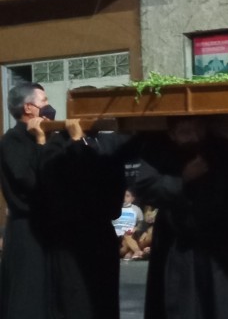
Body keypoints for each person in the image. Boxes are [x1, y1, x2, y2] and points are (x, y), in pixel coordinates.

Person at [135, 118, 228, 319]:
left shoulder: (224, 146)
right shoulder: (159, 148)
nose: (194, 137)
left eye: (198, 130)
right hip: (181, 246)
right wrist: (183, 178)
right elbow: (144, 187)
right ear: (171, 134)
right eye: (186, 132)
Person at [38, 117, 134, 319]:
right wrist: (76, 144)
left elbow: (113, 186)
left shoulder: (106, 143)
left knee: (104, 300)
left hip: (100, 232)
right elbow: (55, 186)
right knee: (76, 300)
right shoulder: (57, 146)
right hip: (71, 236)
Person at [0, 82, 53, 319]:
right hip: (27, 230)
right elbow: (30, 180)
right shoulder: (13, 141)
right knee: (28, 297)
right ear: (29, 108)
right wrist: (42, 145)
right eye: (44, 102)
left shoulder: (45, 136)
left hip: (48, 228)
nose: (49, 107)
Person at [114, 189, 145, 260]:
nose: (124, 198)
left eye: (127, 196)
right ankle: (132, 252)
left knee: (128, 236)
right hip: (117, 239)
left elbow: (141, 225)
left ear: (132, 199)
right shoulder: (113, 208)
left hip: (129, 236)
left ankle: (135, 252)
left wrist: (136, 229)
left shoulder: (136, 209)